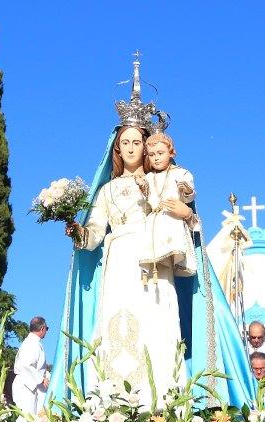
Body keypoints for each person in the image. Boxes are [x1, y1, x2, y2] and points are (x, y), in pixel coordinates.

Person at [65, 124, 193, 396]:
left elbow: (187, 221)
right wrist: (78, 231)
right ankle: (115, 399)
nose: (132, 147)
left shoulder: (162, 179)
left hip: (154, 259)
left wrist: (187, 213)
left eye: (137, 142)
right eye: (126, 143)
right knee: (120, 322)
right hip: (121, 261)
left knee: (157, 322)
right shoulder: (106, 191)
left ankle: (162, 398)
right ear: (117, 149)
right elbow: (95, 233)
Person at [142, 131, 198, 276]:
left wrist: (186, 190)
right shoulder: (148, 178)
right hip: (153, 222)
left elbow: (188, 199)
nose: (156, 158)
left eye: (160, 153)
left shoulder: (181, 173)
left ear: (171, 153)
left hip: (172, 218)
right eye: (152, 155)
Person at [11, 317, 50, 415]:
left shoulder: (31, 342)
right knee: (27, 418)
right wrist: (41, 379)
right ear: (42, 329)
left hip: (29, 383)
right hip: (26, 385)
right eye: (47, 329)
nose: (46, 331)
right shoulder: (32, 343)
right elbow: (25, 365)